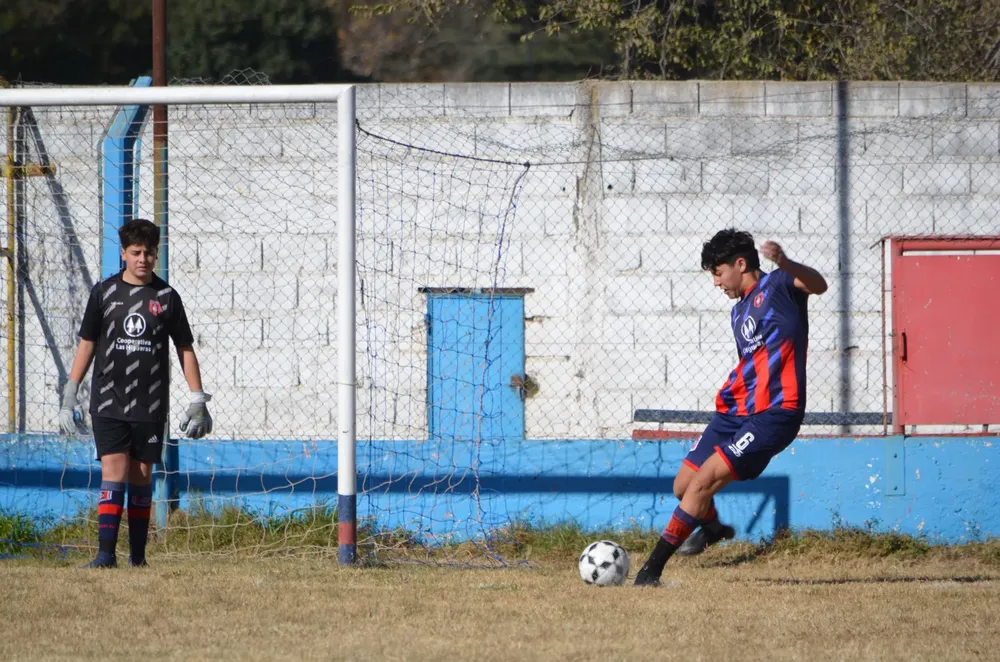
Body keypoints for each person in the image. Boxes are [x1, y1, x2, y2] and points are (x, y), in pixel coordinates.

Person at [634, 229, 828, 587]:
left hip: (775, 413)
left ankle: (649, 572)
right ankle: (714, 529)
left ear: (740, 264)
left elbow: (819, 285)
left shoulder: (781, 285)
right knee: (683, 486)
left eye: (718, 272)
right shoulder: (738, 312)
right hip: (735, 412)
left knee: (703, 483)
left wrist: (786, 262)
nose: (716, 282)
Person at [58, 218, 214, 568]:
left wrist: (198, 398)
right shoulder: (104, 293)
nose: (143, 259)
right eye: (136, 252)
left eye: (149, 253)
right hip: (108, 400)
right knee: (113, 469)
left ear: (156, 255)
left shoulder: (167, 298)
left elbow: (185, 348)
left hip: (150, 402)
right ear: (124, 254)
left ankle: (138, 558)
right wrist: (70, 394)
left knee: (142, 474)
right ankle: (105, 555)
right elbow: (87, 344)